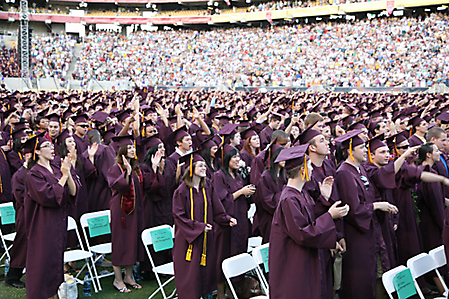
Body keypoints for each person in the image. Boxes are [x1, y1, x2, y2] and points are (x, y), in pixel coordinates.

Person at [269, 144, 349, 299]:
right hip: (294, 262)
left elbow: (311, 218)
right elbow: (303, 233)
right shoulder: (288, 199)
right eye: (309, 166)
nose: (312, 169)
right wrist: (330, 216)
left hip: (304, 258)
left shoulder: (301, 193)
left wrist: (324, 198)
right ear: (302, 170)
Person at [334, 130, 399, 299]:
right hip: (358, 236)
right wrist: (378, 206)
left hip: (371, 231)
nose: (365, 151)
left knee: (378, 274)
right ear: (350, 150)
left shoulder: (359, 168)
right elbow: (353, 209)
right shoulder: (344, 173)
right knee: (365, 279)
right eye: (362, 147)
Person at [172, 151, 237, 299]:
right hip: (188, 242)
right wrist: (199, 227)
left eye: (204, 166)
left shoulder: (207, 186)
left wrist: (226, 219)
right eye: (200, 166)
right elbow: (179, 217)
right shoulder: (181, 191)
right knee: (191, 278)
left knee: (206, 274)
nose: (204, 168)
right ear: (191, 168)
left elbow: (217, 208)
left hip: (206, 240)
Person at [24, 135, 78, 299]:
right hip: (43, 225)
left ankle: (53, 295)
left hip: (57, 223)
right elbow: (47, 196)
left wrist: (67, 174)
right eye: (47, 145)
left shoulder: (56, 168)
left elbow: (73, 193)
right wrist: (63, 176)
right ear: (38, 152)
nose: (52, 147)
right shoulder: (33, 174)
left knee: (54, 263)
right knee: (42, 264)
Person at [212, 144, 256, 299]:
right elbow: (220, 200)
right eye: (234, 156)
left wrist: (248, 192)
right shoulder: (218, 176)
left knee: (238, 252)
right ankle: (221, 293)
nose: (238, 159)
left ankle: (233, 290)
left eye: (238, 156)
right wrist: (241, 192)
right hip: (226, 223)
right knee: (223, 255)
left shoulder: (238, 175)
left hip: (241, 220)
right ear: (226, 159)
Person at [107, 135, 145, 293]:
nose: (132, 150)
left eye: (133, 147)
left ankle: (129, 276)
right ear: (122, 150)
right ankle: (118, 279)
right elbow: (119, 186)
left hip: (134, 210)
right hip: (121, 211)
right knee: (121, 242)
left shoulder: (135, 166)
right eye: (129, 148)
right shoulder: (115, 168)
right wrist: (127, 173)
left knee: (131, 242)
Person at [253, 142, 285, 243]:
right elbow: (267, 202)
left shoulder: (284, 174)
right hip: (271, 220)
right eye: (281, 156)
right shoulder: (265, 177)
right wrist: (284, 194)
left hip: (283, 217)